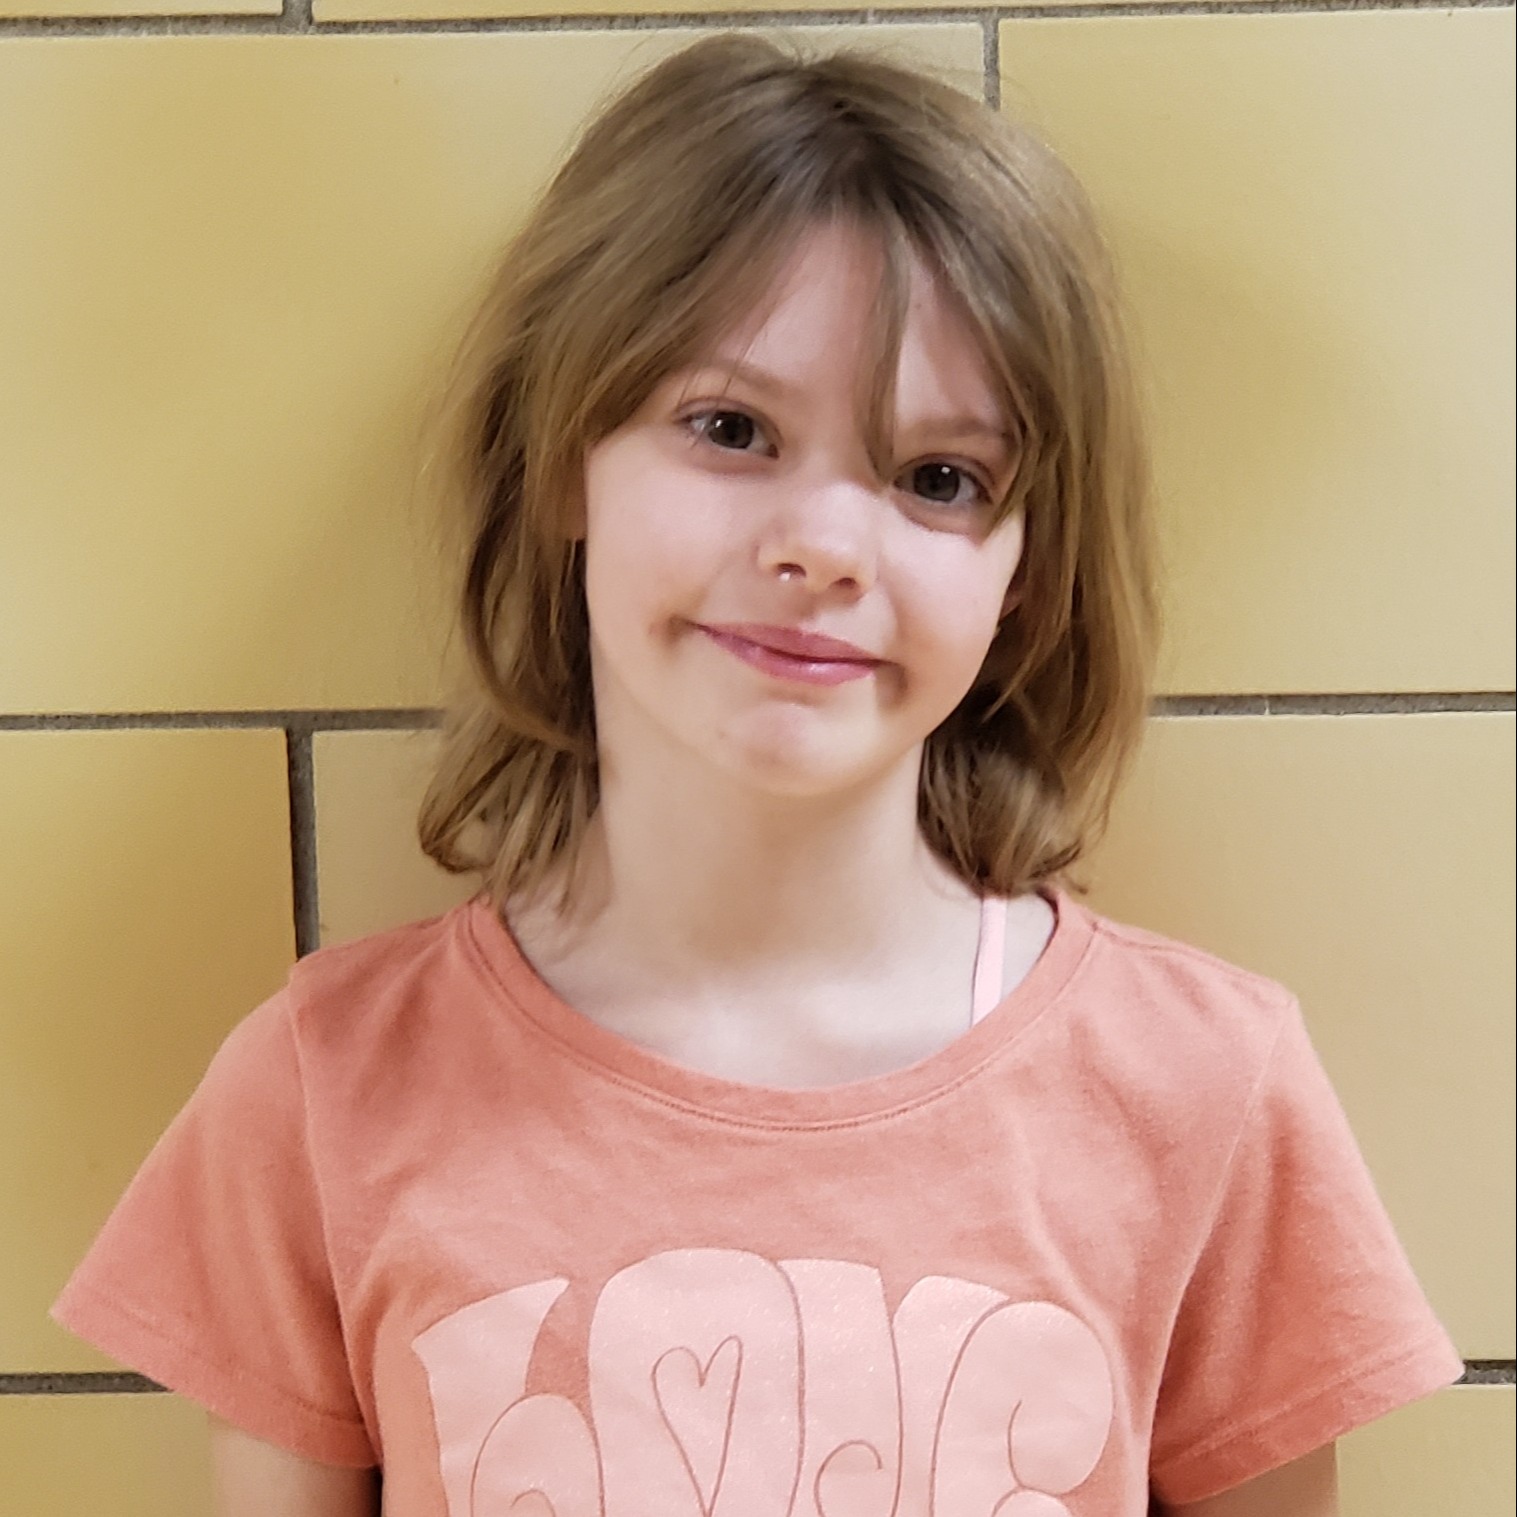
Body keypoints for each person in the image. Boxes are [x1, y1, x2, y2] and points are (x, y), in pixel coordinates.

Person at [52, 33, 1462, 1517]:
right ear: (558, 464)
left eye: (938, 477)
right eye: (729, 428)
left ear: (1022, 573)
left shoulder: (1205, 1090)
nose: (826, 545)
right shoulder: (322, 1092)